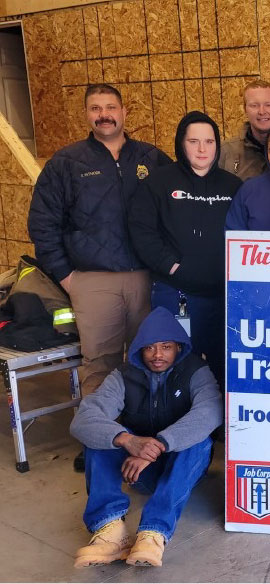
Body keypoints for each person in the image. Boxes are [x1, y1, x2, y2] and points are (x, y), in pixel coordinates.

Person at [28, 83, 171, 471]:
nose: (104, 114)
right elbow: (43, 223)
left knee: (151, 359)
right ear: (87, 114)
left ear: (124, 112)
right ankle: (99, 438)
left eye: (110, 107)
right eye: (95, 108)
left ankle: (149, 433)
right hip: (92, 280)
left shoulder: (151, 158)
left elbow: (172, 213)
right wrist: (66, 276)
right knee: (100, 363)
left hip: (146, 278)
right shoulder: (67, 162)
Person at [70, 307, 222, 568]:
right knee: (100, 436)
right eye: (150, 347)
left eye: (166, 346)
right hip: (138, 469)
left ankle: (153, 533)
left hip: (181, 466)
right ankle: (109, 529)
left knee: (200, 442)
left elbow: (210, 412)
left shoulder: (195, 370)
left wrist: (158, 445)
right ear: (140, 349)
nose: (158, 355)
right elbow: (84, 418)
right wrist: (127, 441)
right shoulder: (123, 376)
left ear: (178, 347)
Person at [129, 111, 242, 387]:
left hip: (222, 296)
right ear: (181, 143)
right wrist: (172, 265)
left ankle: (219, 427)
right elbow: (142, 230)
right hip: (175, 293)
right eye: (194, 141)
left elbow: (244, 234)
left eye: (209, 141)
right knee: (175, 364)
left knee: (223, 365)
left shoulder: (233, 186)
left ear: (217, 145)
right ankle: (176, 426)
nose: (202, 149)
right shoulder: (159, 182)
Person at [219, 79, 270, 180]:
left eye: (268, 105)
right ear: (245, 109)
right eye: (254, 105)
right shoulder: (225, 152)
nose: (262, 111)